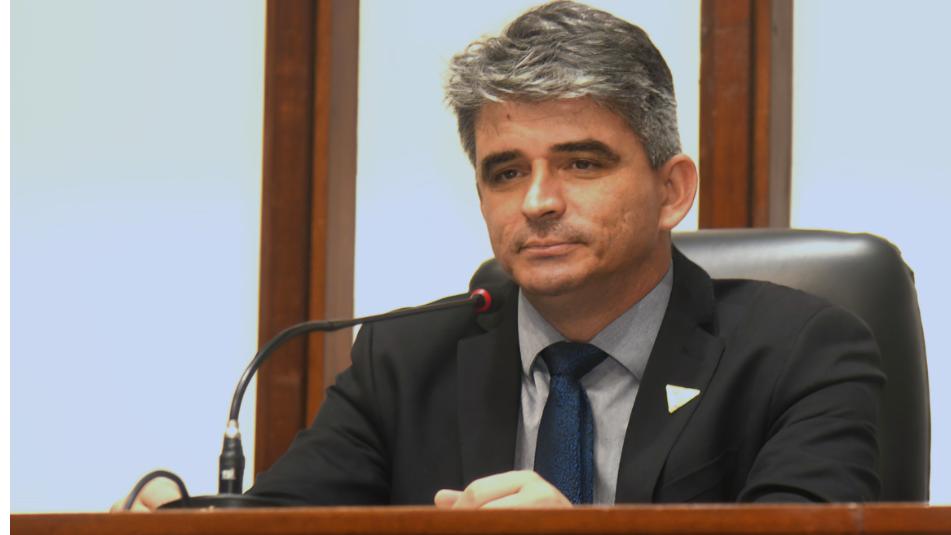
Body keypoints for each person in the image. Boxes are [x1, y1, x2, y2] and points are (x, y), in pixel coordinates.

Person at [120, 0, 883, 510]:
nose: (538, 201)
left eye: (581, 163)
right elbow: (282, 523)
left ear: (671, 189)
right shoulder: (403, 362)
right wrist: (179, 517)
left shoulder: (802, 354)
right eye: (506, 171)